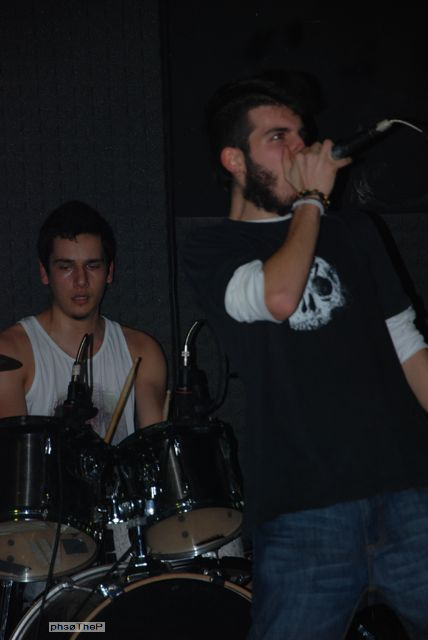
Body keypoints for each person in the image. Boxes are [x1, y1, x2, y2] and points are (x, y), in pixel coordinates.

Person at [183, 70, 428, 640]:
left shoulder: (356, 232)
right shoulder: (214, 247)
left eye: (302, 136)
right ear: (235, 160)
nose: (301, 149)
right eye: (278, 138)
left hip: (409, 493)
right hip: (304, 515)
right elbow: (278, 297)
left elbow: (410, 349)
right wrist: (313, 199)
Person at [0, 200, 167, 438]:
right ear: (44, 272)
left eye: (92, 266)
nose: (81, 281)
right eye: (66, 267)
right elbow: (13, 455)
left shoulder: (142, 352)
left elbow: (157, 448)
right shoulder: (11, 353)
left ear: (109, 272)